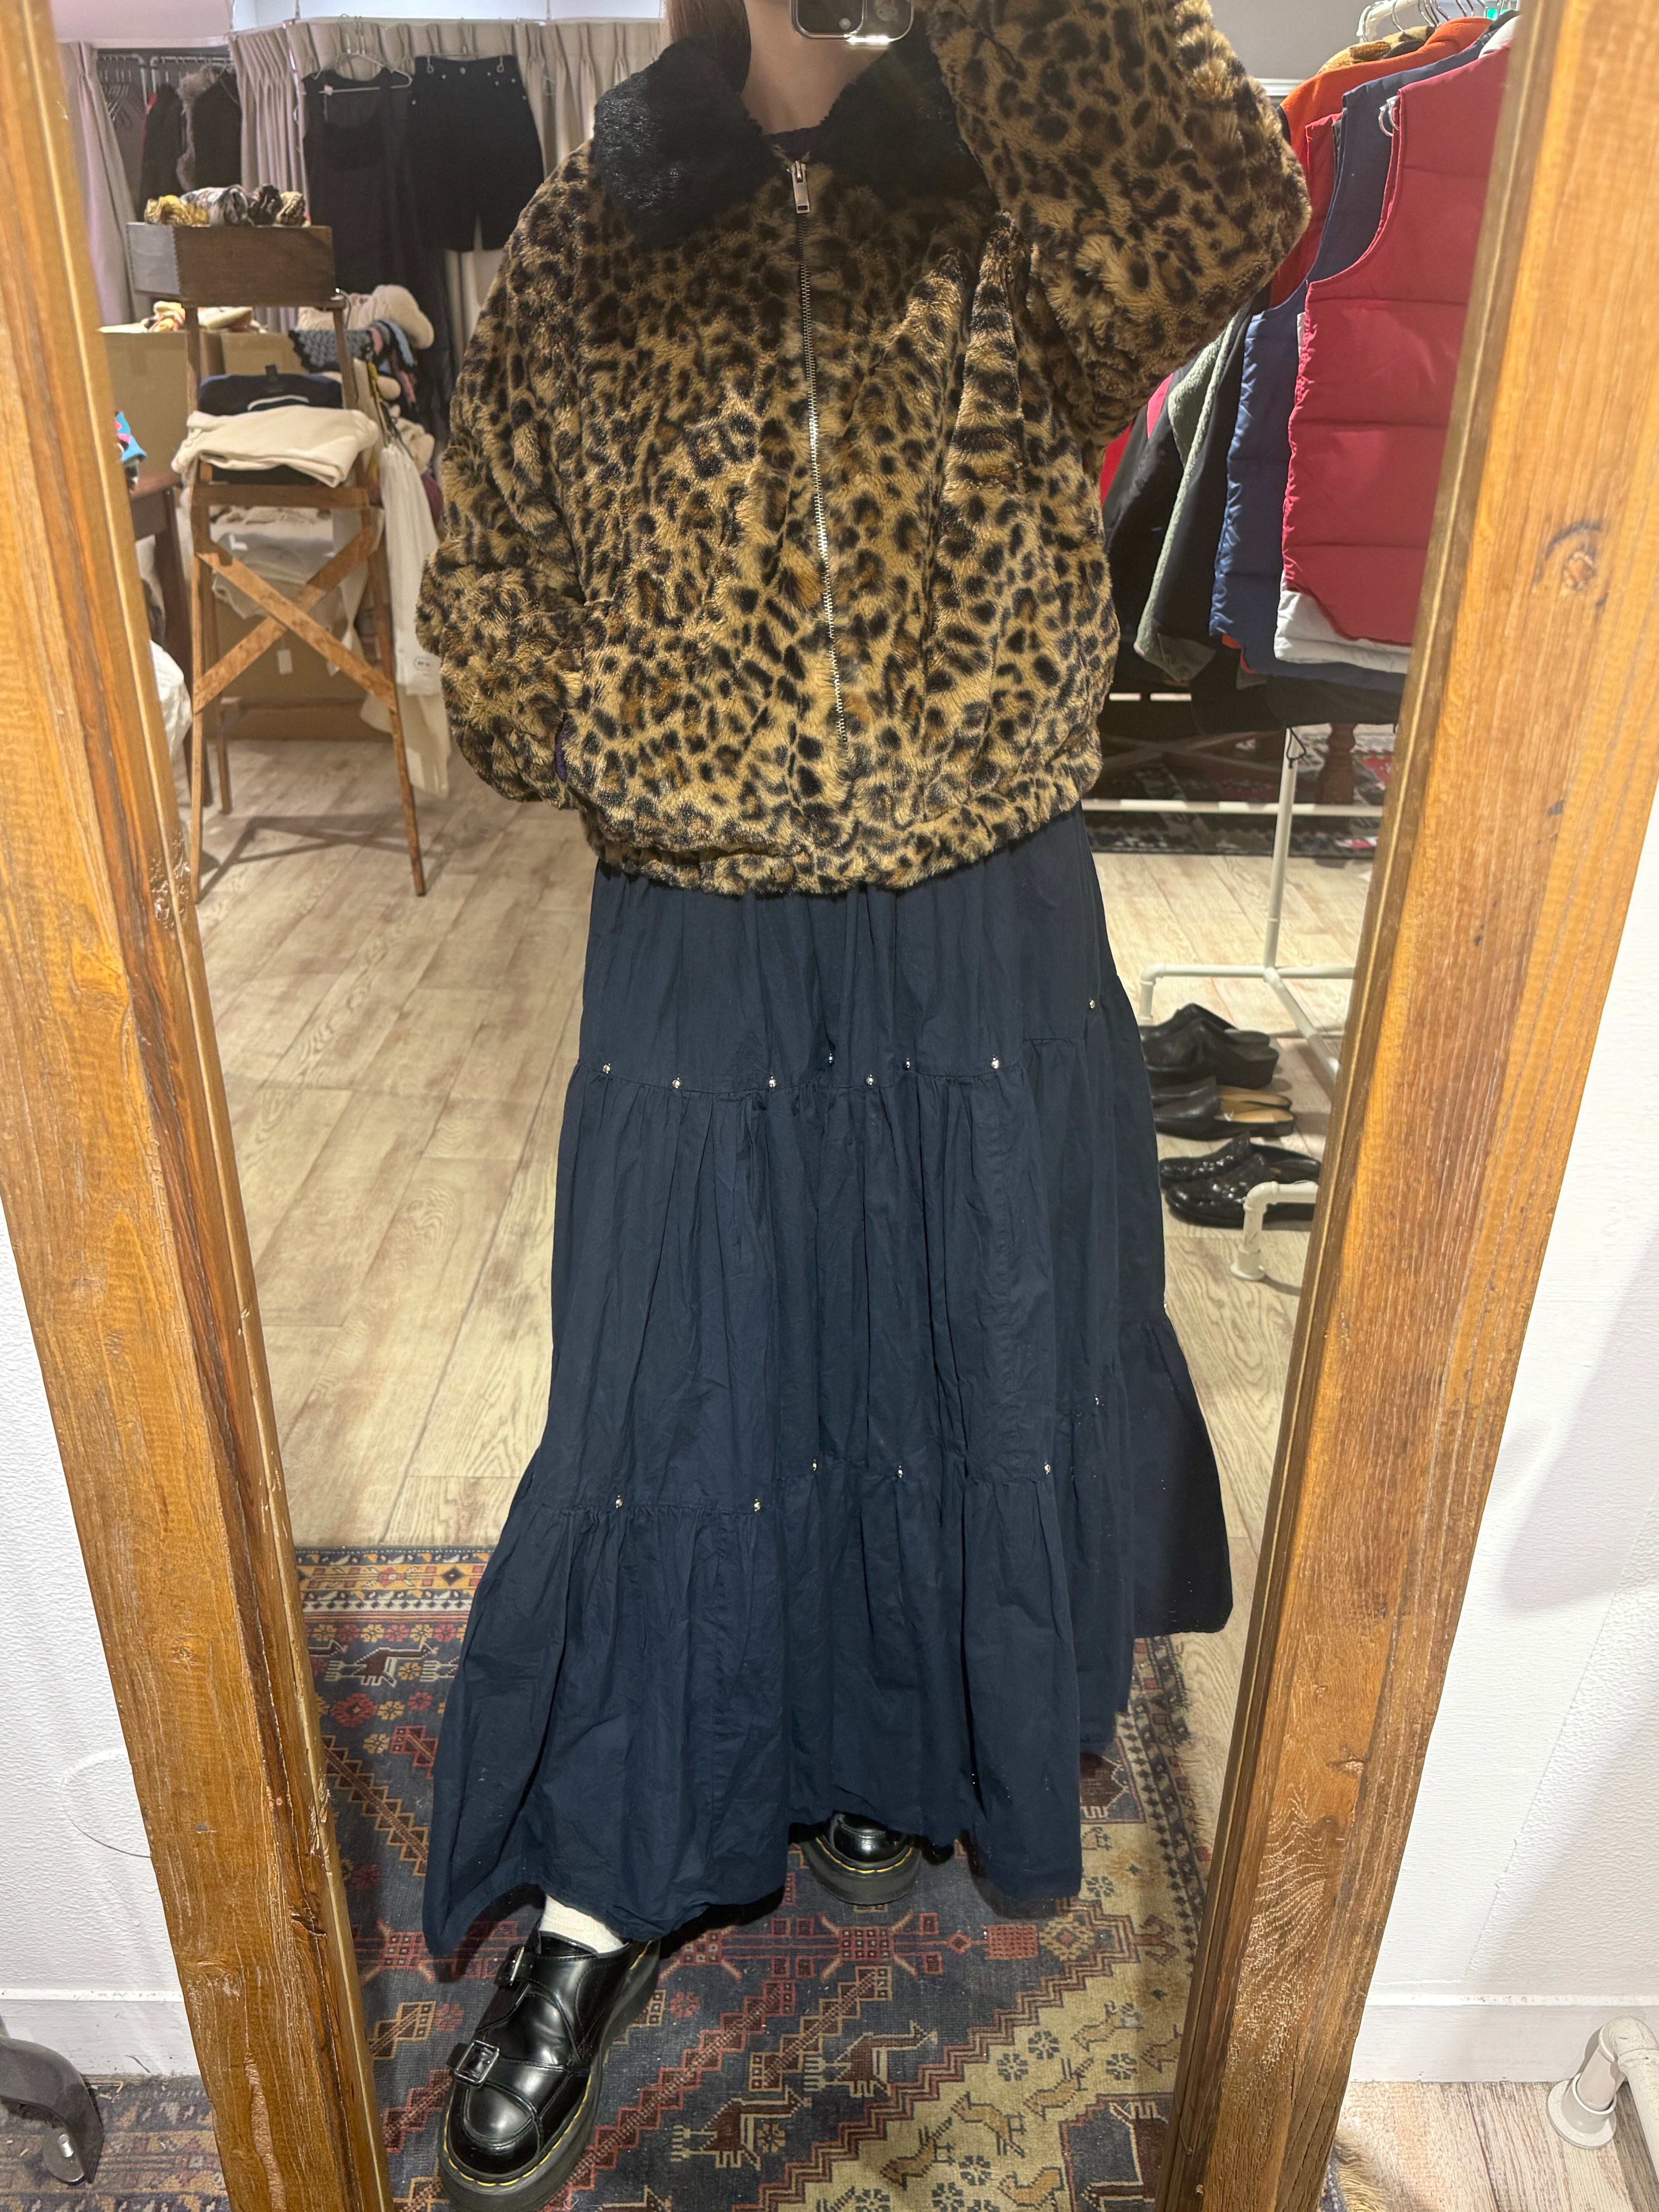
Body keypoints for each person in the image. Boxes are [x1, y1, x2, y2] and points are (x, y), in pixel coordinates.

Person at [414, 0, 1307, 2200]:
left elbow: (1234, 202)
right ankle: (611, 1887)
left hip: (982, 904)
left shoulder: (1010, 174)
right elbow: (495, 631)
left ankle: (894, 1749)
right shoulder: (592, 232)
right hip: (701, 918)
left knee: (952, 1344)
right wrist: (653, 729)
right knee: (673, 1393)